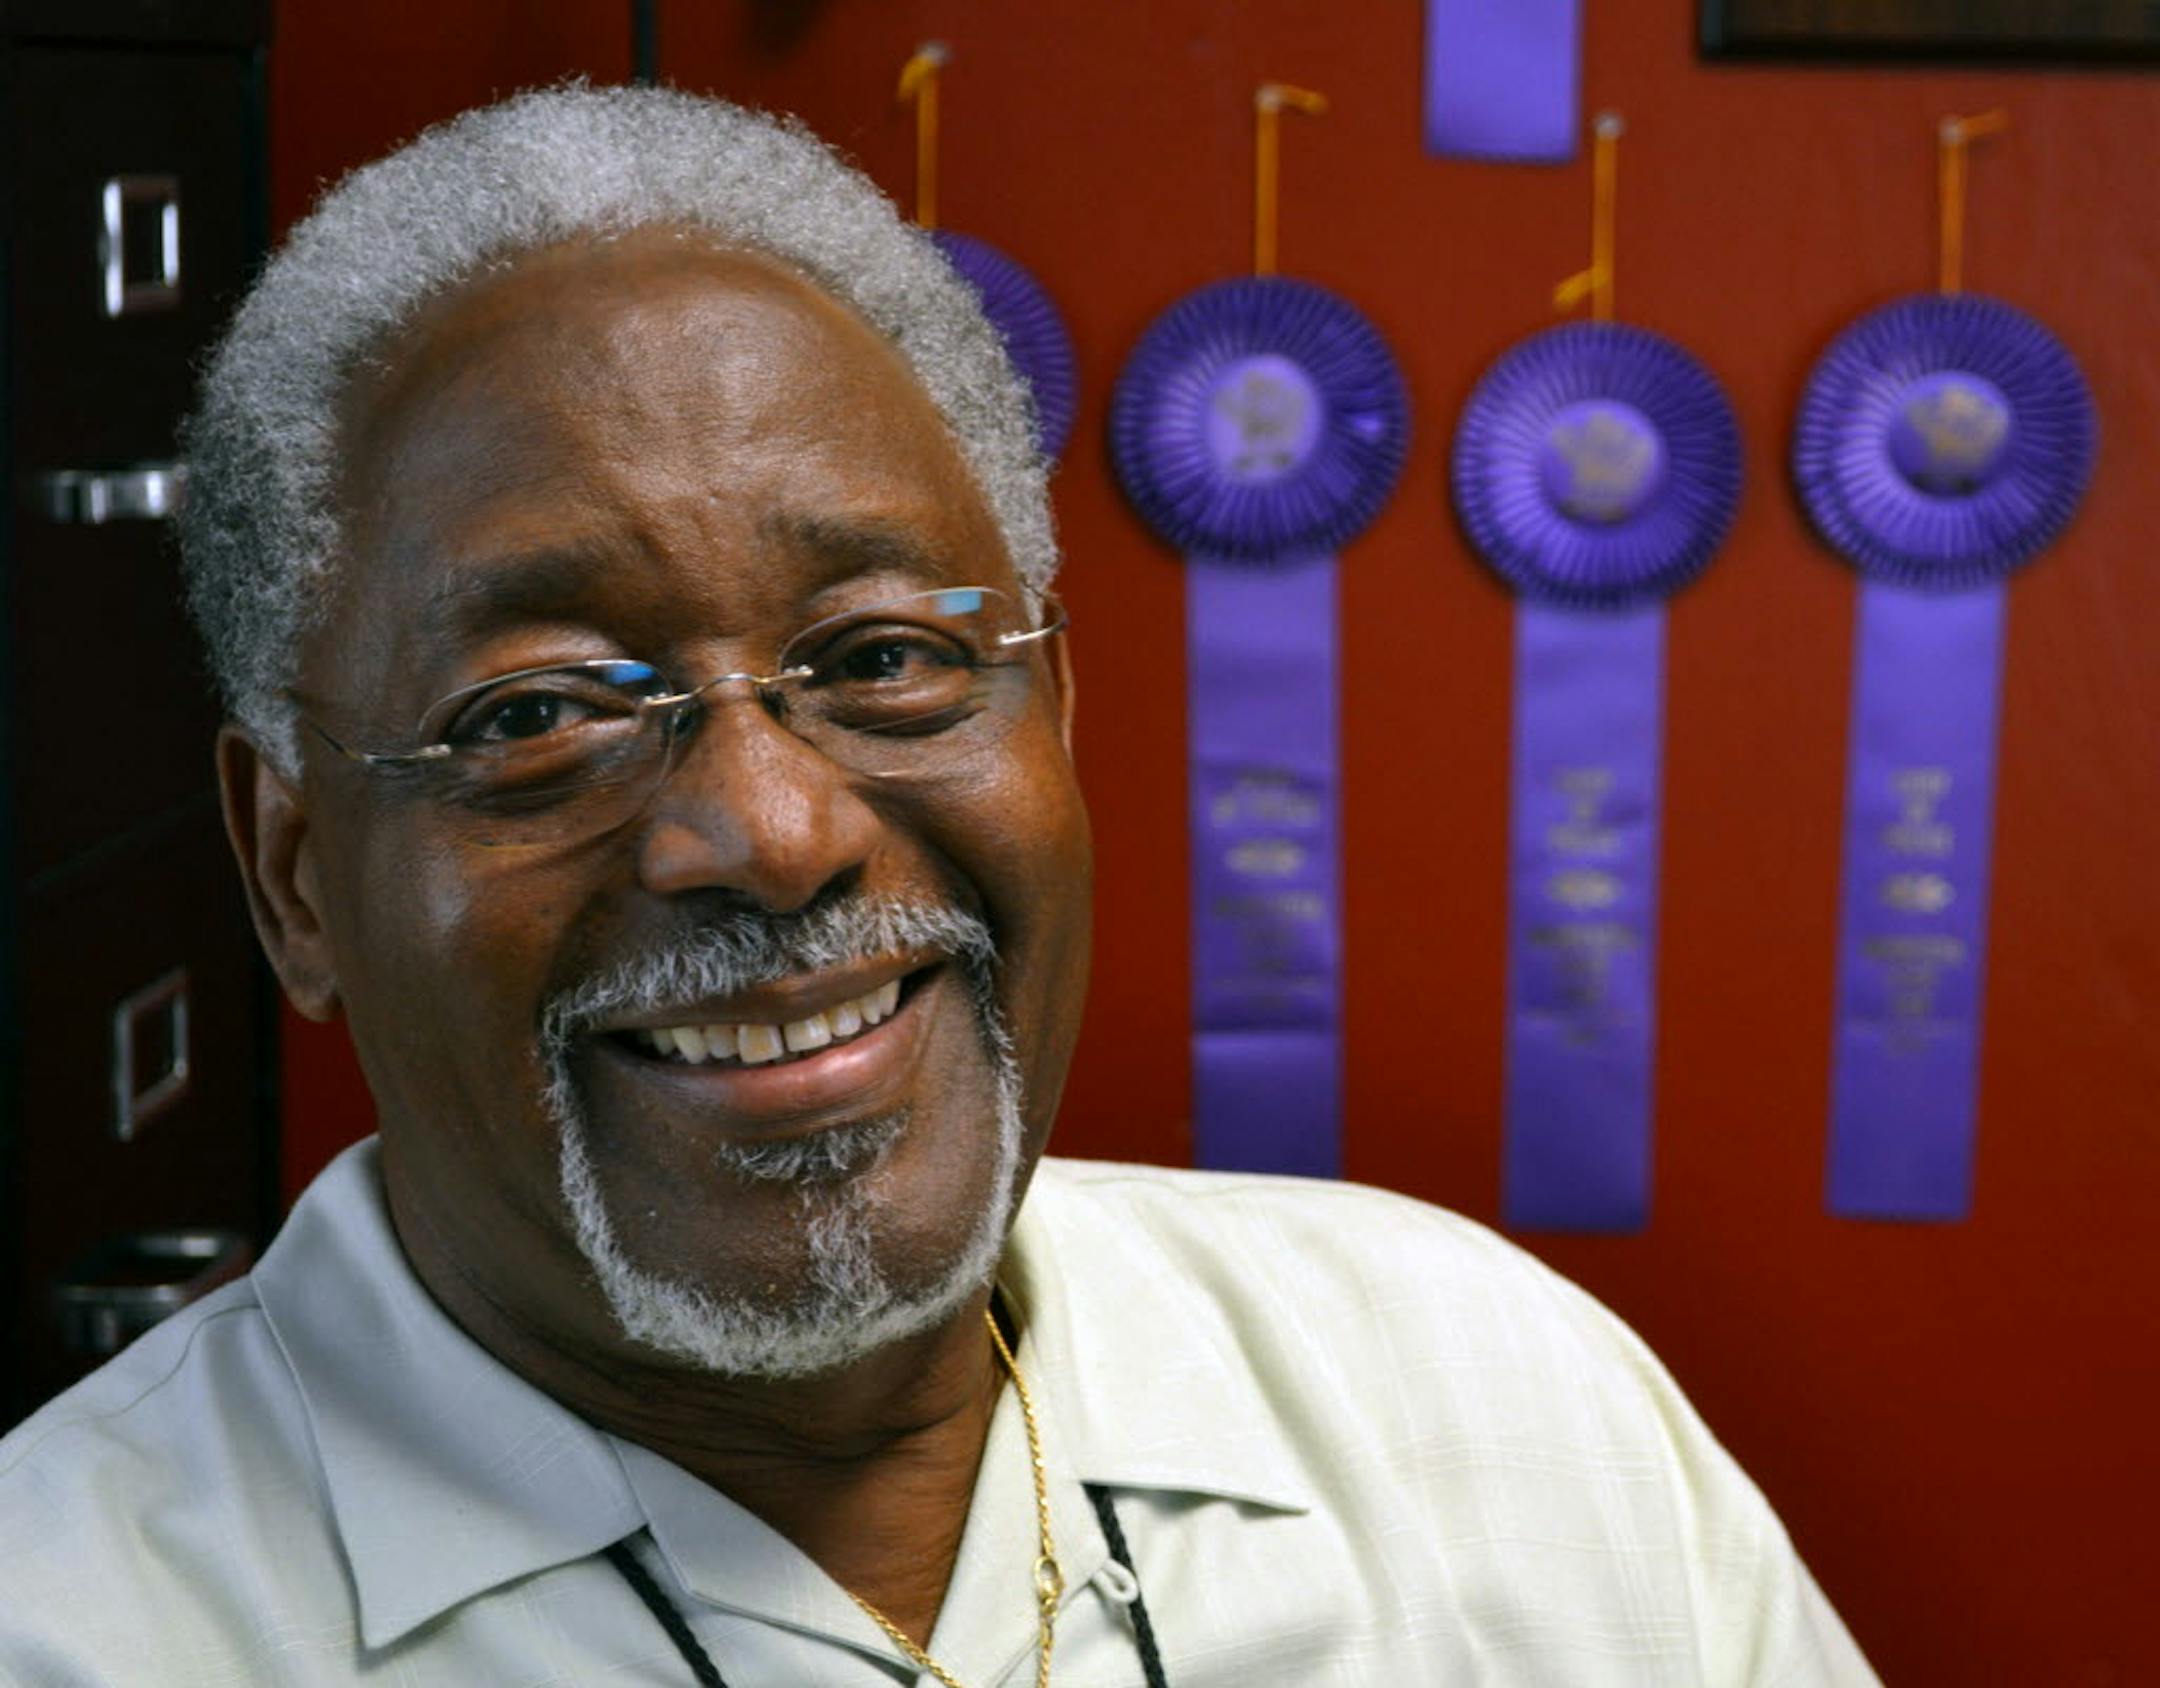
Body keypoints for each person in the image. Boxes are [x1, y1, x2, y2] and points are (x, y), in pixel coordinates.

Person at [0, 86, 1877, 1686]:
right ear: (297, 877)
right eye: (542, 710)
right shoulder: (75, 1621)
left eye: (883, 658)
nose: (771, 829)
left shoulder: (1493, 1399)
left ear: (1052, 713)